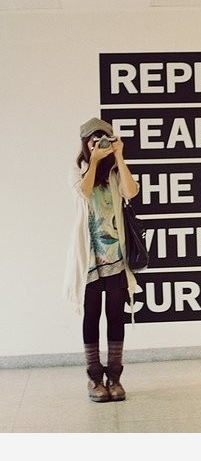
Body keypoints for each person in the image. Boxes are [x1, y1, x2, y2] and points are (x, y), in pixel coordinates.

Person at [63, 117, 139, 402]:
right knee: (92, 315)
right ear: (85, 143)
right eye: (94, 139)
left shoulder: (116, 171)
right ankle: (95, 378)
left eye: (105, 138)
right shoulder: (78, 169)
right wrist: (94, 161)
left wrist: (119, 157)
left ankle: (115, 377)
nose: (100, 143)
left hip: (116, 256)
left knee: (116, 315)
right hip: (90, 258)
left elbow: (131, 192)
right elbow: (83, 193)